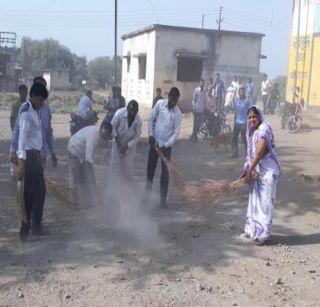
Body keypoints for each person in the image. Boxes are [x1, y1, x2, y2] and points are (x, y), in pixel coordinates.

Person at [241, 106, 281, 245]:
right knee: (255, 200)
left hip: (269, 172)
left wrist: (250, 170)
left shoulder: (264, 129)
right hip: (258, 171)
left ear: (259, 117)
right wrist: (246, 169)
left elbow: (258, 154)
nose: (252, 119)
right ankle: (252, 229)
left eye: (254, 117)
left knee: (265, 203)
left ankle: (263, 235)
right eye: (249, 117)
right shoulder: (252, 130)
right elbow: (250, 154)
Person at [17, 83, 49, 241]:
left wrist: (41, 155)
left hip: (35, 156)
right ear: (34, 96)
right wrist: (22, 164)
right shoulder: (26, 113)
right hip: (28, 157)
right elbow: (22, 140)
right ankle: (26, 228)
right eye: (41, 100)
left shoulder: (36, 111)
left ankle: (33, 226)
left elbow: (37, 137)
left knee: (39, 192)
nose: (42, 103)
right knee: (30, 194)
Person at [146, 87, 182, 208]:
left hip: (166, 148)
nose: (173, 103)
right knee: (150, 171)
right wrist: (151, 135)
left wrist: (166, 145)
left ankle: (162, 200)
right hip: (154, 143)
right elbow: (150, 118)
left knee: (165, 174)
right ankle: (146, 198)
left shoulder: (178, 113)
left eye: (175, 101)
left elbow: (175, 133)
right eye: (172, 100)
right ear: (169, 97)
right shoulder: (159, 104)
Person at [10, 77, 57, 169]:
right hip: (28, 154)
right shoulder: (25, 108)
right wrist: (13, 150)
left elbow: (48, 132)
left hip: (41, 154)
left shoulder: (47, 110)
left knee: (38, 181)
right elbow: (18, 131)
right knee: (26, 181)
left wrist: (53, 152)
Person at [67, 120, 112, 196]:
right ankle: (73, 199)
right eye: (105, 134)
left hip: (82, 153)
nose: (105, 136)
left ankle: (84, 197)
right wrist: (92, 178)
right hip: (74, 149)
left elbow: (91, 155)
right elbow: (88, 158)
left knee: (83, 177)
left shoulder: (101, 134)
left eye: (107, 134)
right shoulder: (93, 136)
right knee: (75, 177)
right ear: (101, 128)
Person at [111, 100, 142, 180]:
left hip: (129, 145)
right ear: (127, 108)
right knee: (115, 164)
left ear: (137, 111)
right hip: (117, 142)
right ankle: (113, 185)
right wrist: (119, 144)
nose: (132, 113)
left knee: (128, 166)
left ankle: (127, 187)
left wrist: (126, 147)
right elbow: (113, 127)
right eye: (131, 110)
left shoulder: (139, 120)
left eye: (135, 111)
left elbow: (136, 137)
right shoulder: (119, 113)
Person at [9, 84, 28, 178]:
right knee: (15, 151)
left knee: (24, 151)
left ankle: (23, 169)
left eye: (26, 92)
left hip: (25, 131)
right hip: (17, 130)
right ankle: (13, 171)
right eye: (23, 92)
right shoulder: (16, 104)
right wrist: (13, 131)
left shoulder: (29, 104)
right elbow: (12, 118)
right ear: (19, 92)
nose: (24, 94)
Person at [232, 87, 250, 158]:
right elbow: (236, 111)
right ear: (238, 93)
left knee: (243, 138)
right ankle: (235, 153)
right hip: (237, 122)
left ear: (244, 93)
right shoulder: (237, 101)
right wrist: (234, 121)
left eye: (242, 92)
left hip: (244, 122)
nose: (241, 93)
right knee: (234, 137)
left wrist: (249, 122)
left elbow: (249, 112)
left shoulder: (247, 101)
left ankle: (247, 153)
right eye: (240, 92)